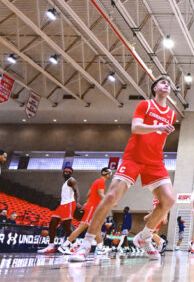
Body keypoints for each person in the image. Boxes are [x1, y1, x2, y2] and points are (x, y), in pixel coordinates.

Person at [69, 77, 178, 262]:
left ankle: (144, 238)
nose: (167, 84)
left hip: (155, 161)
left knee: (168, 200)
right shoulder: (146, 105)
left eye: (169, 82)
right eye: (162, 82)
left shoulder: (171, 113)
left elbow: (161, 138)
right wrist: (157, 126)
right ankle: (86, 243)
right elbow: (136, 128)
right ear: (154, 88)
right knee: (111, 197)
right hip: (134, 157)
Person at [59, 167, 112, 256]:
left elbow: (89, 194)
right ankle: (64, 245)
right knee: (82, 227)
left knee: (97, 228)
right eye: (109, 172)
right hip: (92, 207)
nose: (111, 174)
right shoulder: (100, 182)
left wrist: (87, 203)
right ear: (104, 172)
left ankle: (100, 248)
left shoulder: (97, 182)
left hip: (93, 207)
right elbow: (100, 194)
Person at [40, 168, 79, 253]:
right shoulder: (65, 183)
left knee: (67, 227)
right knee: (52, 223)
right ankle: (51, 246)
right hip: (62, 205)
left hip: (69, 204)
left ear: (71, 173)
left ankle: (75, 246)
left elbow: (76, 191)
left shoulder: (71, 180)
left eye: (68, 172)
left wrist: (78, 202)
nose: (66, 173)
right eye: (64, 172)